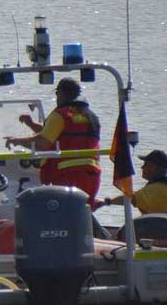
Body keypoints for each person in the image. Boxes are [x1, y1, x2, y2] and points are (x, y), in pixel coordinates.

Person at [6, 77, 101, 207]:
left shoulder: (61, 114)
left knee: (62, 214)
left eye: (56, 93)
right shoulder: (89, 116)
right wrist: (31, 124)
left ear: (60, 93)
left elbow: (43, 143)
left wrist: (17, 141)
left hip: (68, 175)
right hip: (92, 176)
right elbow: (60, 135)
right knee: (82, 212)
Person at [94, 149, 167, 216]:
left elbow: (129, 198)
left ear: (154, 168)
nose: (142, 168)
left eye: (145, 165)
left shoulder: (157, 189)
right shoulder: (166, 186)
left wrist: (105, 202)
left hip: (160, 234)